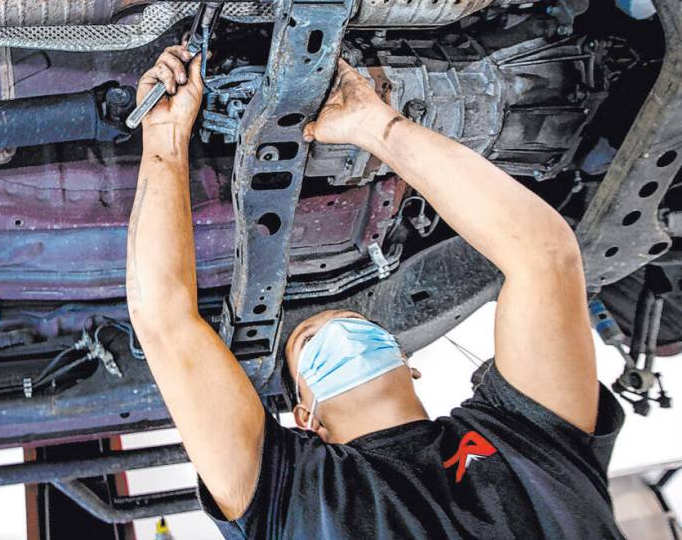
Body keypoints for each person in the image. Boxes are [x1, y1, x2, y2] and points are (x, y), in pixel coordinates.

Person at [125, 46, 625, 539]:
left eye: (306, 347)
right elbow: (545, 258)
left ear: (305, 418)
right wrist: (374, 126)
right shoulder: (527, 445)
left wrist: (165, 139)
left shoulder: (286, 503)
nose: (337, 332)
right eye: (359, 330)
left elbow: (164, 320)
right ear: (408, 361)